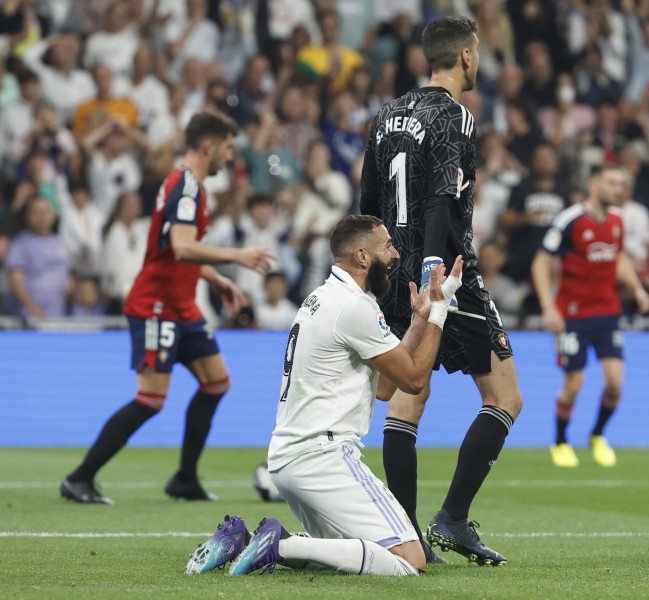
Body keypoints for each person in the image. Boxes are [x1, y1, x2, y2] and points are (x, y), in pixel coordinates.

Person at [185, 215, 462, 577]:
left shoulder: (322, 298)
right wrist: (441, 309)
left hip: (287, 460)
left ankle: (246, 539)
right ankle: (280, 543)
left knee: (338, 556)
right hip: (324, 457)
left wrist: (418, 322)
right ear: (362, 257)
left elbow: (383, 387)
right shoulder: (354, 307)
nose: (394, 255)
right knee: (410, 560)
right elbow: (412, 381)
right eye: (387, 246)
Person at [360, 16, 523, 566]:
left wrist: (377, 272)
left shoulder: (385, 116)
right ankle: (450, 517)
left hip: (391, 270)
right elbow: (440, 199)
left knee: (407, 394)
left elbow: (366, 204)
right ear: (467, 58)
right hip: (447, 271)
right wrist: (436, 271)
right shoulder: (455, 115)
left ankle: (405, 536)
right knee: (504, 397)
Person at [60, 111, 272, 505]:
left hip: (182, 305)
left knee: (217, 382)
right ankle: (79, 478)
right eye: (226, 148)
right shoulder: (187, 188)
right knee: (151, 399)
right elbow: (182, 246)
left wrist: (213, 278)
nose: (229, 157)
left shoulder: (185, 184)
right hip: (155, 305)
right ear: (208, 146)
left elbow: (175, 249)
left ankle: (185, 479)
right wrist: (236, 257)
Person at [531, 164, 649, 469]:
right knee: (574, 385)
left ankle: (597, 435)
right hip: (572, 315)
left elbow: (619, 257)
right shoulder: (570, 220)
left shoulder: (616, 221)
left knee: (615, 384)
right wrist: (549, 306)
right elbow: (540, 263)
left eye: (622, 184)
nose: (618, 189)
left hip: (607, 311)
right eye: (612, 182)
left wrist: (637, 288)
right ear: (593, 183)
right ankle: (559, 442)